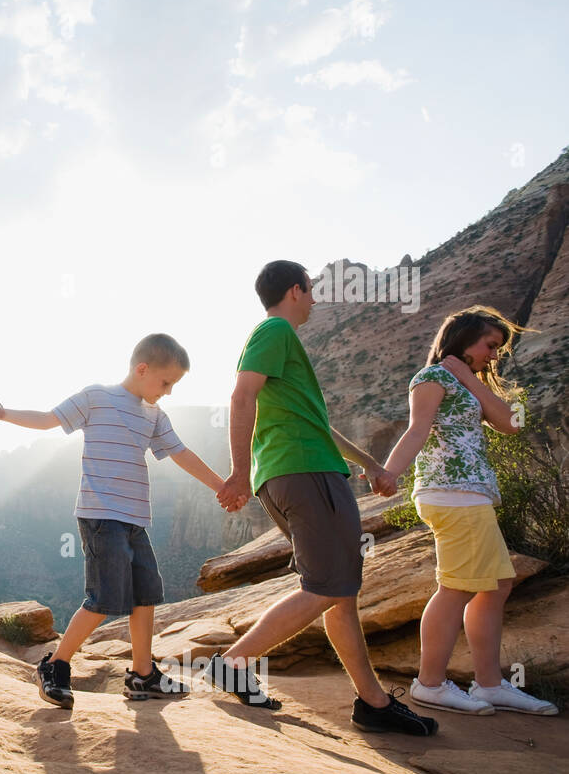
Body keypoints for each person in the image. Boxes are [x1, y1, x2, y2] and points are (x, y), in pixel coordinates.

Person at [212, 260, 438, 735]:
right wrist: (234, 472)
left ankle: (372, 703)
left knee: (339, 593)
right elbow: (240, 397)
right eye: (310, 290)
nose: (314, 300)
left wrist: (370, 464)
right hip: (304, 473)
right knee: (328, 589)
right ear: (294, 290)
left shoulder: (281, 343)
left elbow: (321, 427)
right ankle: (233, 662)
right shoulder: (275, 330)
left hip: (296, 469)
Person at [0, 334, 224, 708]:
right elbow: (49, 419)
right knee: (103, 599)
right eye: (165, 383)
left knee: (145, 596)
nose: (168, 391)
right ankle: (55, 665)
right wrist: (2, 413)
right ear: (142, 369)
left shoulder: (155, 416)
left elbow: (181, 453)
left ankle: (143, 675)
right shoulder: (97, 397)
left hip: (135, 520)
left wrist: (220, 486)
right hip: (101, 517)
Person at [378, 307, 557, 716]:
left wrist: (468, 378)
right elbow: (417, 431)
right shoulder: (430, 378)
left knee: (495, 586)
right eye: (489, 345)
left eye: (498, 349)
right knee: (457, 587)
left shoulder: (464, 380)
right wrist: (389, 473)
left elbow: (511, 423)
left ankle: (489, 685)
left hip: (472, 495)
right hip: (449, 493)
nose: (494, 355)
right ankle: (429, 684)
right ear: (462, 338)